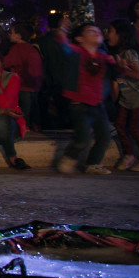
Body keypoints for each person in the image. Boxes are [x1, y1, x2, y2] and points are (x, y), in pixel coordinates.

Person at [55, 23, 115, 175]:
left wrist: (122, 66)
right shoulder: (77, 52)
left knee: (105, 137)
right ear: (80, 38)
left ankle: (93, 163)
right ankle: (69, 157)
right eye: (91, 31)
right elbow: (65, 48)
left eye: (98, 30)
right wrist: (62, 33)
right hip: (79, 103)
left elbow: (116, 71)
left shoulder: (103, 56)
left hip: (98, 103)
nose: (96, 32)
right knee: (82, 138)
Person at [107, 19, 139, 172]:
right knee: (120, 125)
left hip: (137, 97)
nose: (108, 35)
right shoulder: (117, 54)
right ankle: (128, 154)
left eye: (111, 31)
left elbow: (138, 75)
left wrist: (123, 69)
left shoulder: (129, 53)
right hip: (125, 98)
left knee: (134, 127)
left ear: (121, 34)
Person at [4, 22, 43, 130]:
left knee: (23, 113)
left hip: (22, 86)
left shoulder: (16, 48)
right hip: (34, 87)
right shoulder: (33, 48)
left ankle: (23, 131)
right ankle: (35, 128)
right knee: (34, 111)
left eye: (11, 32)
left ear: (19, 35)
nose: (9, 35)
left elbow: (6, 63)